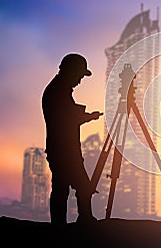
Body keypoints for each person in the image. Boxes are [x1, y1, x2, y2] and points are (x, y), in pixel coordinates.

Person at [42, 53, 102, 226]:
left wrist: (86, 116)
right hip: (64, 152)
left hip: (64, 150)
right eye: (79, 75)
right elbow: (66, 118)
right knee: (79, 187)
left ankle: (71, 222)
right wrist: (88, 116)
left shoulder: (59, 90)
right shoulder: (57, 91)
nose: (80, 80)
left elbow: (68, 116)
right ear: (70, 71)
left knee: (67, 188)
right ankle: (80, 221)